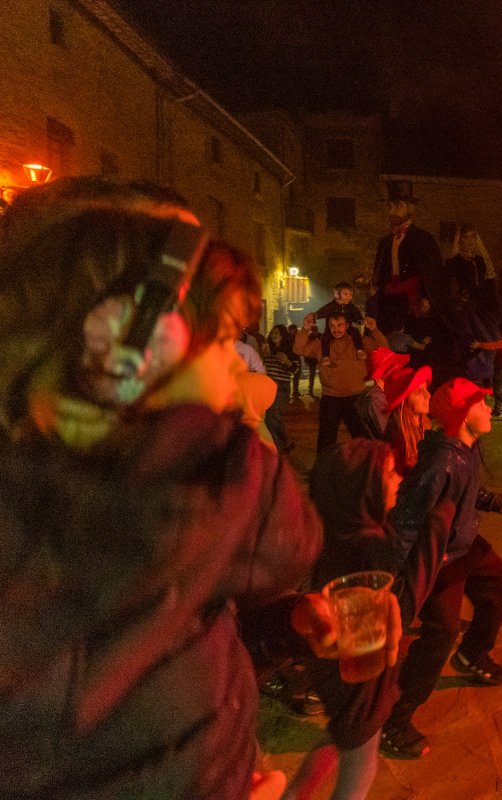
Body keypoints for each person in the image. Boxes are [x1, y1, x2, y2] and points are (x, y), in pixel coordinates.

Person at [0, 177, 323, 799]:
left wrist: (287, 627)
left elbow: (178, 612)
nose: (240, 358)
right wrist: (208, 430)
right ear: (123, 341)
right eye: (219, 333)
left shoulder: (132, 494)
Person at [378, 378, 502, 759]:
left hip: (463, 542)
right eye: (482, 404)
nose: (490, 409)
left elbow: (468, 490)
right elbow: (408, 517)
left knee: (500, 584)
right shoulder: (441, 460)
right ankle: (393, 719)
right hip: (439, 555)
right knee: (440, 632)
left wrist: (496, 504)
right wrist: (393, 573)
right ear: (462, 414)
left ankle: (472, 654)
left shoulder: (468, 448)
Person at [283, 440, 405, 800]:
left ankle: (293, 795)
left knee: (339, 737)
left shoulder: (335, 532)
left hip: (339, 676)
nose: (399, 479)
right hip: (359, 676)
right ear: (363, 488)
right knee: (360, 770)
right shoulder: (367, 547)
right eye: (389, 474)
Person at [294, 310, 389, 452]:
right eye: (332, 326)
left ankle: (364, 468)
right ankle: (324, 470)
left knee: (362, 438)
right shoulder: (321, 344)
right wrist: (305, 328)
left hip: (357, 397)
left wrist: (374, 329)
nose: (336, 329)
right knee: (326, 439)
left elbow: (384, 349)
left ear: (347, 325)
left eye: (339, 325)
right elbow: (298, 349)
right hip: (330, 398)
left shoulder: (359, 343)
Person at [369, 182, 442, 334]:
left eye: (398, 206)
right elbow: (381, 273)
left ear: (411, 207)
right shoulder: (385, 242)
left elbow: (434, 273)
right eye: (390, 206)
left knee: (413, 342)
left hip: (413, 303)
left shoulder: (423, 239)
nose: (393, 211)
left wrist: (427, 297)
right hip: (390, 303)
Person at [472, 320, 502, 421]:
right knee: (497, 389)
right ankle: (498, 411)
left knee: (498, 391)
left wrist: (480, 345)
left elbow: (494, 345)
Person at [264, 324, 299, 452]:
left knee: (271, 417)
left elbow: (296, 371)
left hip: (281, 386)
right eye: (272, 333)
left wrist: (287, 361)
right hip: (267, 385)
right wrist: (263, 356)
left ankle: (278, 446)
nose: (273, 335)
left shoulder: (291, 350)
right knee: (270, 417)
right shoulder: (268, 349)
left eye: (277, 333)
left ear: (283, 336)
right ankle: (286, 442)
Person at [316, 282, 366, 365]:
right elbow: (322, 312)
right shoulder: (330, 306)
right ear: (337, 294)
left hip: (348, 328)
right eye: (345, 294)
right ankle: (326, 357)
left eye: (351, 294)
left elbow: (356, 314)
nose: (349, 297)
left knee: (355, 332)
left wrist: (360, 320)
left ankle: (359, 350)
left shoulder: (351, 306)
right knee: (325, 338)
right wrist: (314, 316)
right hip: (331, 330)